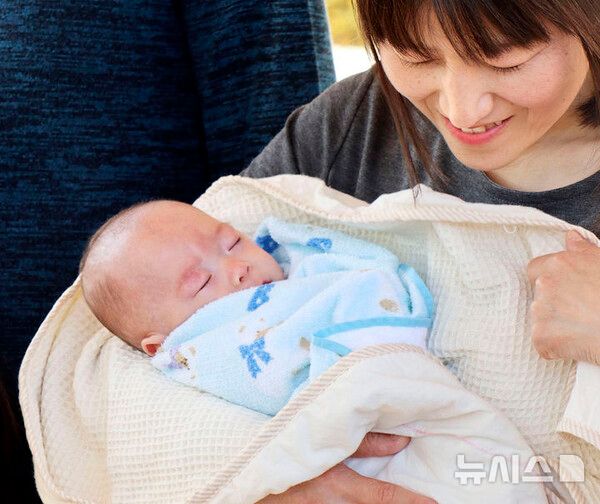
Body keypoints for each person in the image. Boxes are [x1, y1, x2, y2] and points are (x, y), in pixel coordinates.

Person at [239, 0, 600, 501]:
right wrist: (268, 478)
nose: (462, 110)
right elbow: (157, 325)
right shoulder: (354, 124)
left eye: (505, 60)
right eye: (416, 55)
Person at [79, 199, 433, 416]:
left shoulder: (306, 262)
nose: (238, 268)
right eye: (201, 282)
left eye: (233, 242)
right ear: (162, 344)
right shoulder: (204, 359)